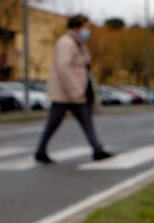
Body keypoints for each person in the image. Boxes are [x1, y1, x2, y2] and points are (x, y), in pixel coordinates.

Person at [35, 14, 114, 164]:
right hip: (66, 94)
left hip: (77, 93)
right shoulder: (66, 43)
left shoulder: (79, 44)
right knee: (54, 122)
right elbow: (63, 68)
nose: (88, 30)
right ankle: (40, 150)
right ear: (77, 27)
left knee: (86, 120)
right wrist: (76, 90)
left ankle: (97, 149)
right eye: (86, 27)